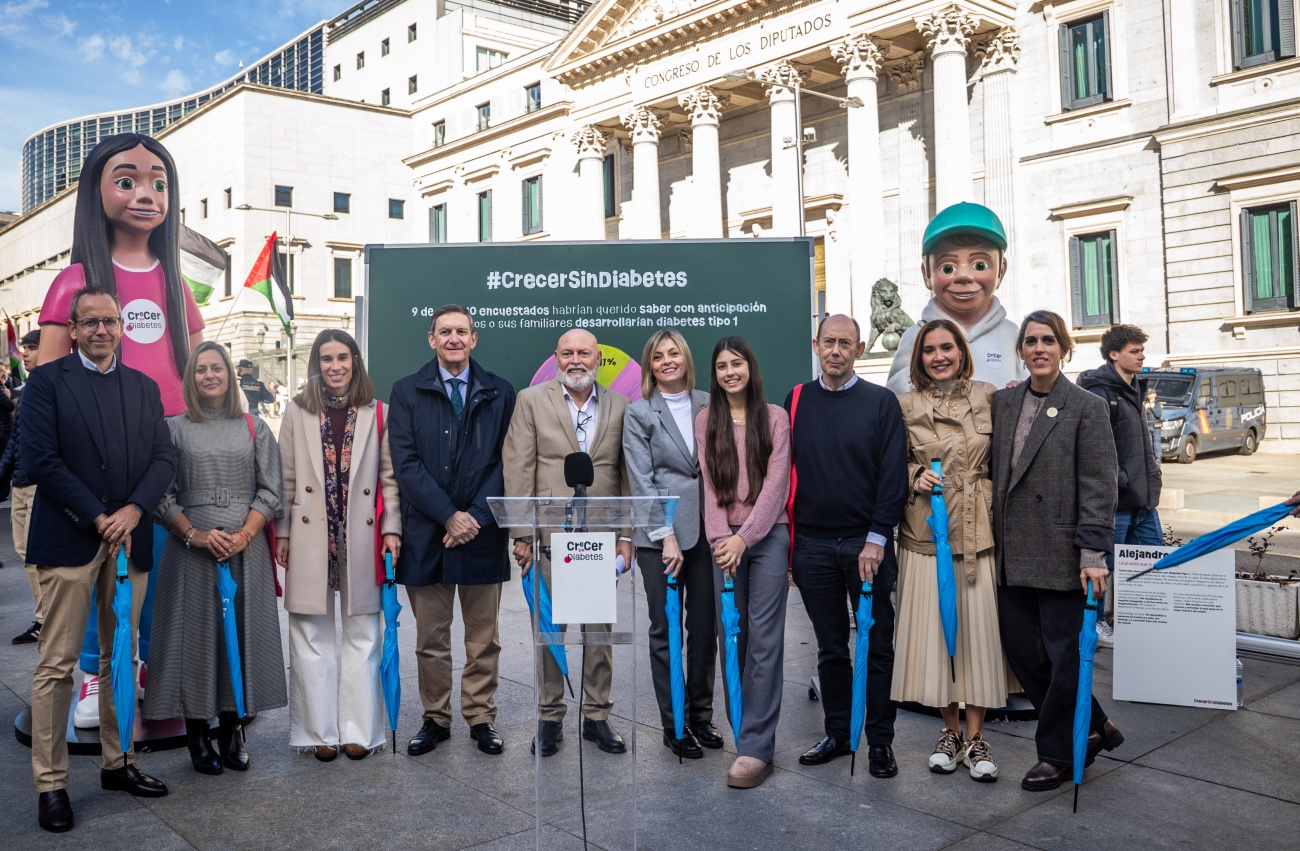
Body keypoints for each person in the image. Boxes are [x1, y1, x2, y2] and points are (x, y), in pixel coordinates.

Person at [35, 133, 205, 729]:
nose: (145, 194)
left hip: (170, 446)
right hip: (95, 452)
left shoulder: (177, 285)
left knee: (159, 569)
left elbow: (200, 372)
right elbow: (47, 380)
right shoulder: (74, 280)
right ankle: (92, 674)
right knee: (96, 567)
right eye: (127, 180)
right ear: (96, 192)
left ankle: (157, 673)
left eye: (158, 182)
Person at [22, 287, 177, 832]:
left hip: (130, 540)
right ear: (74, 328)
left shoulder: (142, 385)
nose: (101, 330)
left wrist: (134, 510)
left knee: (121, 659)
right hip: (70, 541)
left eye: (109, 320)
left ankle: (119, 762)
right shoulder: (46, 382)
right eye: (89, 323)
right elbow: (41, 458)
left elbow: (164, 456)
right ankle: (51, 784)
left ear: (121, 326)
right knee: (57, 666)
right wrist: (98, 516)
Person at [990, 310, 1122, 792]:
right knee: (1024, 653)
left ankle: (1056, 754)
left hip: (1063, 553)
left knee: (1065, 655)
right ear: (1021, 350)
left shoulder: (1086, 406)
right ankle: (1095, 724)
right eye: (1030, 341)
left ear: (1063, 348)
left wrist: (1093, 553)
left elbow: (1099, 484)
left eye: (1048, 340)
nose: (1039, 348)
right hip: (1011, 551)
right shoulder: (1004, 403)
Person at [142, 342, 287, 775]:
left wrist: (244, 534)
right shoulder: (172, 429)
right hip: (189, 546)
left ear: (229, 375)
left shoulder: (254, 426)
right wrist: (195, 534)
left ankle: (232, 729)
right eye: (201, 369)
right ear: (191, 379)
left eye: (217, 368)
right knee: (192, 639)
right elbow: (159, 495)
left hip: (246, 546)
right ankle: (195, 734)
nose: (209, 375)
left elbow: (272, 490)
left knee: (238, 636)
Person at [388, 305, 516, 757]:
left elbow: (508, 460)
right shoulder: (406, 391)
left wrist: (475, 517)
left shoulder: (501, 392)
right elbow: (405, 463)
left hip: (483, 533)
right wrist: (448, 516)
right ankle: (435, 718)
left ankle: (481, 718)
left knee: (484, 638)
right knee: (431, 640)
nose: (454, 338)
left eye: (462, 331)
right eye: (445, 332)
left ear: (474, 339)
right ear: (432, 339)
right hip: (429, 534)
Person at [502, 327, 634, 758]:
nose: (575, 360)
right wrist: (521, 535)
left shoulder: (619, 406)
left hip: (598, 537)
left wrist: (626, 536)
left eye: (584, 353)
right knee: (549, 631)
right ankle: (549, 717)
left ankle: (596, 716)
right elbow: (518, 469)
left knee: (598, 632)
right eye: (567, 353)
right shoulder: (531, 400)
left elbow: (626, 476)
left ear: (599, 360)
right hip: (547, 539)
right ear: (555, 358)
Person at [787, 314, 908, 778]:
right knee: (831, 647)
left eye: (845, 343)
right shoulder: (796, 400)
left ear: (859, 350)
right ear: (815, 345)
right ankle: (839, 733)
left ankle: (879, 741)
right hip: (814, 546)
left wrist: (877, 538)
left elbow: (893, 477)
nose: (836, 350)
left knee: (877, 645)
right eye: (828, 342)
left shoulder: (881, 402)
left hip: (866, 545)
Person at [892, 319, 1010, 782]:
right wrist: (911, 477)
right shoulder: (905, 405)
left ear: (961, 350)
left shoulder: (991, 396)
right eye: (928, 350)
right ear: (918, 358)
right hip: (927, 532)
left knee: (978, 635)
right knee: (938, 637)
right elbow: (888, 463)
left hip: (979, 530)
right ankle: (949, 731)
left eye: (947, 347)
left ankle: (977, 736)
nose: (939, 356)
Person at [277, 329, 402, 762]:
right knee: (311, 634)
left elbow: (389, 479)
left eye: (343, 358)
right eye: (326, 359)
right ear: (317, 364)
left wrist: (392, 529)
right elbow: (286, 480)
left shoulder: (377, 411)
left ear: (355, 362)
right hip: (312, 533)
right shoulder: (296, 412)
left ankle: (359, 730)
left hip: (362, 535)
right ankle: (318, 732)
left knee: (364, 634)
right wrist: (283, 534)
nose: (335, 366)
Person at [696, 336, 790, 788]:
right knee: (732, 638)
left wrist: (744, 539)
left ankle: (757, 747)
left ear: (750, 367)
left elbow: (774, 489)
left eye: (737, 363)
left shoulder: (775, 418)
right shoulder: (705, 420)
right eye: (721, 366)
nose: (730, 372)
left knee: (765, 642)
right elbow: (711, 489)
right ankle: (743, 733)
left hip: (767, 539)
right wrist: (722, 540)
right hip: (723, 545)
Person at [624, 330, 720, 760]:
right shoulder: (639, 413)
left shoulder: (711, 402)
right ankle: (674, 724)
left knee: (703, 630)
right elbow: (641, 481)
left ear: (685, 358)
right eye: (658, 356)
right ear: (650, 365)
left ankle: (701, 715)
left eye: (673, 353)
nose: (667, 361)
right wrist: (665, 537)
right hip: (659, 541)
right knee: (665, 631)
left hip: (709, 533)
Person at [1078, 324, 1164, 647]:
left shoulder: (1135, 389)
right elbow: (1094, 449)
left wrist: (1152, 477)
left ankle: (1143, 622)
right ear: (1114, 354)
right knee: (1105, 568)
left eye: (1142, 350)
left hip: (1143, 501)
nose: (1142, 356)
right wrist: (1120, 481)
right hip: (1117, 502)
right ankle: (1096, 624)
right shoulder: (1101, 392)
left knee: (1153, 565)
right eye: (1134, 350)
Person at [888, 203, 1027, 394]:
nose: (964, 276)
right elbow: (895, 393)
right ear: (926, 274)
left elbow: (1033, 385)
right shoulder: (916, 337)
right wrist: (914, 378)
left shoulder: (1013, 335)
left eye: (980, 265)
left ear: (1001, 271)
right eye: (947, 268)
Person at [5, 330, 43, 643]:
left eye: (32, 348)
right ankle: (45, 616)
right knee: (24, 552)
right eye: (24, 348)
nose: (25, 354)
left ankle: (46, 619)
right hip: (20, 483)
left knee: (34, 555)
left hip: (36, 484)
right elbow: (16, 441)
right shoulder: (28, 388)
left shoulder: (50, 386)